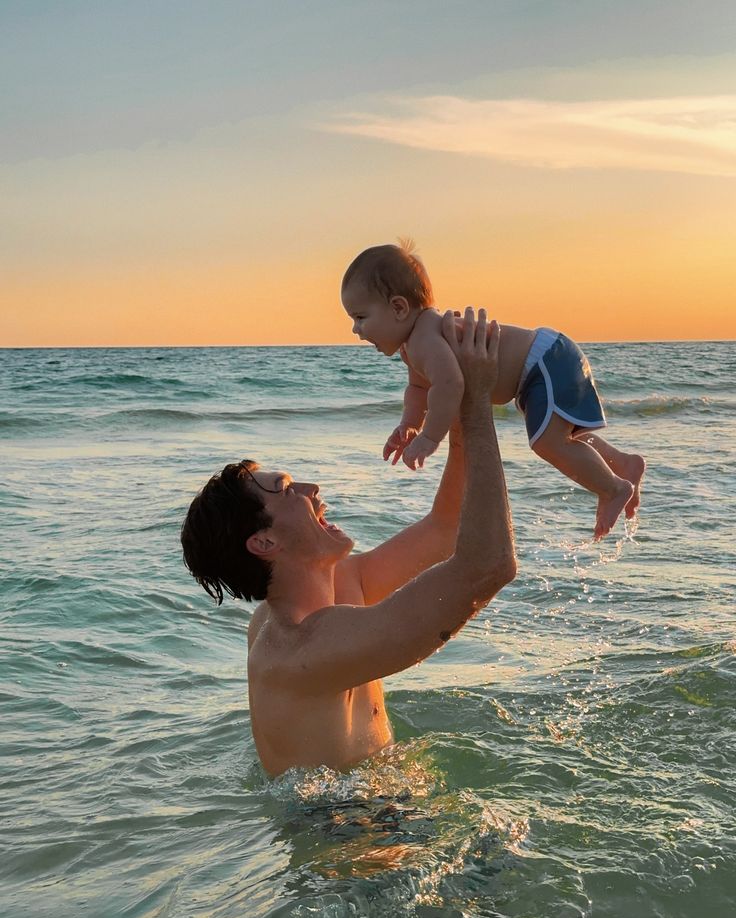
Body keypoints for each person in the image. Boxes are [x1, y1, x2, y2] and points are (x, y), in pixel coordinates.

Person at [181, 309, 516, 777]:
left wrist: (455, 397)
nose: (312, 490)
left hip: (376, 809)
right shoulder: (299, 653)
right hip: (345, 835)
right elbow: (489, 565)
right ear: (263, 543)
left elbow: (445, 528)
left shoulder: (337, 590)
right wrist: (480, 405)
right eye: (286, 490)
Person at [342, 241, 646, 541]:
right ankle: (622, 462)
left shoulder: (424, 339)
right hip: (543, 362)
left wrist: (429, 438)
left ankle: (613, 488)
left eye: (360, 318)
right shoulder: (413, 345)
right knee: (560, 437)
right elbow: (419, 389)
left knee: (547, 443)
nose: (356, 330)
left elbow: (450, 384)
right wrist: (409, 424)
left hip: (542, 362)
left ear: (398, 307)